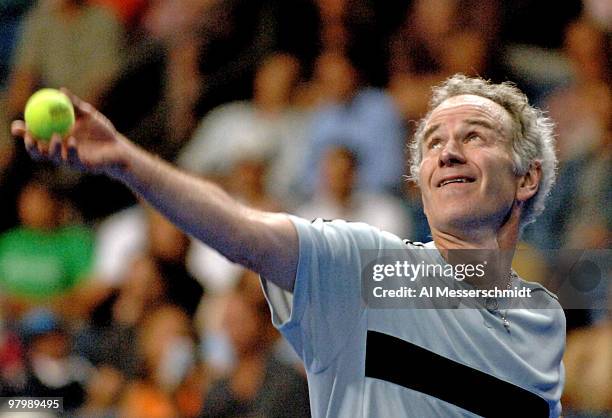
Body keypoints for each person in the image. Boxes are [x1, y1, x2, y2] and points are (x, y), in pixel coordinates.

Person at [11, 74, 565, 417]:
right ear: (420, 184)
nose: (446, 153)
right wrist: (127, 161)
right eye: (434, 144)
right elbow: (245, 233)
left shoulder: (541, 316)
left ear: (527, 178)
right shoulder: (373, 269)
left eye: (474, 136)